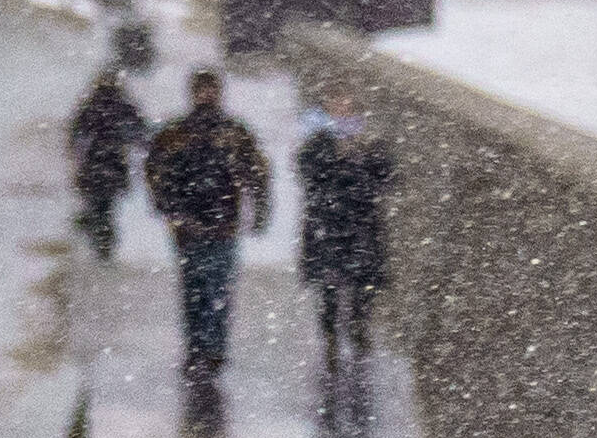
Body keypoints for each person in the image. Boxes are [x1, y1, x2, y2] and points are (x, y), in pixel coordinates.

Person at [142, 69, 271, 402]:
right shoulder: (176, 133)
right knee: (194, 289)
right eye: (201, 90)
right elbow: (154, 169)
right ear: (192, 93)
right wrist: (167, 207)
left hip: (224, 225)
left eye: (210, 90)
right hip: (188, 227)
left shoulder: (234, 133)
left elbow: (258, 172)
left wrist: (259, 210)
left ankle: (212, 349)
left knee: (218, 288)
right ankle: (198, 348)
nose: (206, 96)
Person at [295, 91, 395, 381]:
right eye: (336, 104)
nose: (341, 110)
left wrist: (361, 159)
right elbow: (308, 175)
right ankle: (330, 336)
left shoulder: (368, 143)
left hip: (361, 226)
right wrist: (335, 160)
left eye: (347, 105)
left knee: (363, 285)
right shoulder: (317, 143)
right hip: (328, 225)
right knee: (328, 287)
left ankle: (358, 326)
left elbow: (385, 177)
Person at [67, 70, 145, 263]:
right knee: (106, 206)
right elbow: (140, 132)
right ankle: (102, 238)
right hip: (113, 165)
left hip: (94, 166)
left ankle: (96, 230)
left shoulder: (92, 105)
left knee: (99, 205)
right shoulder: (123, 105)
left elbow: (76, 134)